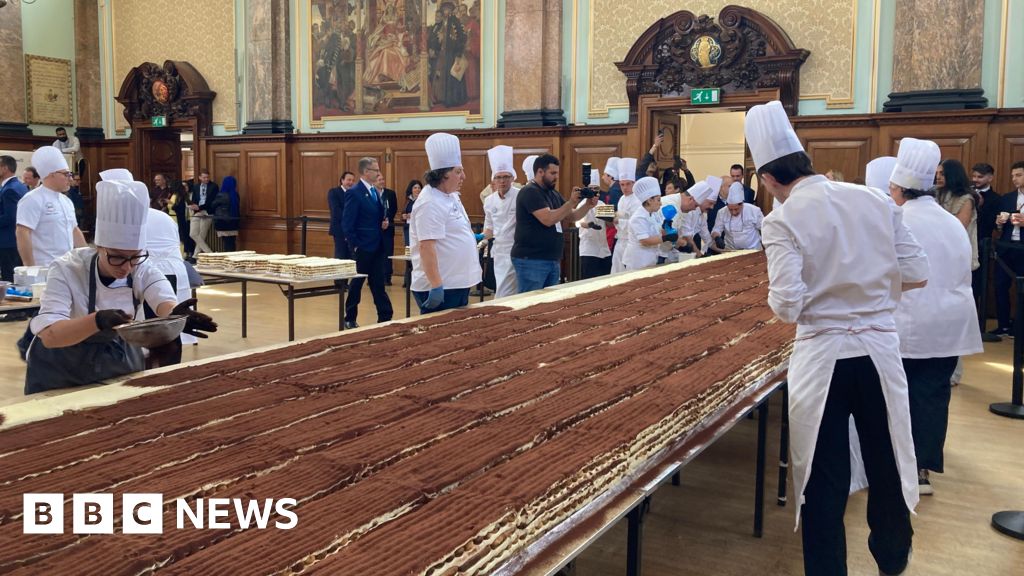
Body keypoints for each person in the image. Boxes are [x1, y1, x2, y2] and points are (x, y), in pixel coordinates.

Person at [751, 100, 926, 576]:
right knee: (887, 457)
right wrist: (870, 295)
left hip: (823, 354)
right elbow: (918, 271)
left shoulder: (781, 220)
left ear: (768, 179)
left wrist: (825, 299)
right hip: (878, 350)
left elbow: (786, 305)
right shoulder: (872, 200)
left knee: (825, 478)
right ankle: (892, 558)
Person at [21, 169, 216, 394]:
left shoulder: (141, 267)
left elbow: (163, 299)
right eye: (117, 257)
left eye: (134, 257)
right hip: (61, 371)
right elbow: (50, 336)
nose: (126, 267)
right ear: (99, 247)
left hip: (116, 364)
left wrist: (176, 317)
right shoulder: (67, 269)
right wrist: (97, 320)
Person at [888, 140, 983, 496]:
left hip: (910, 323)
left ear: (899, 189)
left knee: (900, 395)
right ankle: (922, 469)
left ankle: (900, 468)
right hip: (948, 324)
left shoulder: (899, 219)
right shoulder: (950, 221)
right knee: (932, 394)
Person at [410, 132, 481, 312]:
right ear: (443, 175)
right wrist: (436, 285)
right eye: (458, 171)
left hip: (456, 282)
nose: (463, 176)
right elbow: (427, 246)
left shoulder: (450, 196)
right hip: (443, 286)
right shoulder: (430, 202)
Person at [511, 154, 596, 293]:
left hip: (551, 259)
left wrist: (587, 205)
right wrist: (571, 202)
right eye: (552, 173)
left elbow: (571, 216)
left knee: (548, 304)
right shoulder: (530, 192)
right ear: (540, 172)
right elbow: (548, 219)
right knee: (531, 304)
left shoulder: (553, 194)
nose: (556, 177)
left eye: (557, 173)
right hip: (532, 260)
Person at [342, 157, 393, 328]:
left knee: (378, 282)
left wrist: (383, 222)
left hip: (377, 245)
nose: (379, 173)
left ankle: (385, 316)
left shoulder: (374, 191)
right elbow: (347, 223)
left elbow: (374, 216)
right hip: (363, 247)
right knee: (357, 284)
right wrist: (355, 245)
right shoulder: (354, 192)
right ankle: (350, 316)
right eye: (375, 170)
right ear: (365, 172)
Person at [16, 147, 86, 268]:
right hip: (44, 267)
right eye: (66, 174)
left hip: (68, 266)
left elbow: (74, 230)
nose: (70, 178)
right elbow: (22, 232)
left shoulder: (66, 201)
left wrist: (87, 257)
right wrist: (30, 267)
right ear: (51, 175)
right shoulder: (32, 199)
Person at [481, 145, 520, 298]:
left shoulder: (521, 196)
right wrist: (478, 238)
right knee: (502, 288)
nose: (502, 181)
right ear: (493, 180)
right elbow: (489, 229)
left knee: (507, 292)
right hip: (499, 253)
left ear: (512, 178)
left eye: (505, 177)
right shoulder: (489, 201)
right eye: (498, 177)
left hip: (517, 250)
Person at [991, 161, 1024, 337]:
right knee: (1000, 285)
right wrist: (999, 223)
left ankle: (1020, 328)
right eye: (1012, 176)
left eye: (1018, 175)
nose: (1014, 179)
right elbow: (998, 229)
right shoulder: (1007, 198)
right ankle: (1003, 325)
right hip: (1006, 248)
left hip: (1023, 249)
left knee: (1022, 289)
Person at [935, 159, 978, 272]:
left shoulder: (965, 199)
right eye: (937, 173)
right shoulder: (934, 195)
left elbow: (959, 228)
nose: (938, 177)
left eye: (942, 174)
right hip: (936, 248)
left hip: (956, 250)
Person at [623, 177, 669, 271]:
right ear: (649, 200)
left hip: (650, 258)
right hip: (638, 261)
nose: (660, 203)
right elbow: (645, 241)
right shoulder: (639, 217)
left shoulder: (653, 214)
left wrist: (666, 231)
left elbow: (658, 232)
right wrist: (665, 238)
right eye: (658, 200)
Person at [577, 168, 611, 279]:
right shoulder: (582, 204)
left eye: (596, 189)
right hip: (589, 250)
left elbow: (610, 223)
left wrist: (614, 217)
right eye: (591, 189)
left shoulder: (602, 204)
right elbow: (579, 222)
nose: (593, 192)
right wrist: (589, 224)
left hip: (604, 250)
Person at [710, 182, 764, 251]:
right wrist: (717, 238)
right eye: (730, 209)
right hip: (731, 250)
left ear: (742, 204)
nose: (733, 212)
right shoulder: (722, 212)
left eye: (736, 209)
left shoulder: (754, 211)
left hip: (753, 250)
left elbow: (764, 229)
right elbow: (716, 229)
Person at [0, 156, 29, 282]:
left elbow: (11, 217)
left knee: (9, 279)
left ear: (5, 168)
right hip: (15, 240)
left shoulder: (9, 189)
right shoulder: (20, 186)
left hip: (8, 241)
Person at [610, 158, 638, 273]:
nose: (625, 188)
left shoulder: (637, 199)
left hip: (631, 242)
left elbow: (635, 223)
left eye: (627, 184)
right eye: (622, 185)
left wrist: (618, 221)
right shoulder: (622, 199)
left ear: (633, 183)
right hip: (620, 240)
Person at [188, 169, 219, 256]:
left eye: (207, 177)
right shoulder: (196, 187)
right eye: (204, 177)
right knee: (193, 233)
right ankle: (210, 253)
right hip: (197, 211)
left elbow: (212, 201)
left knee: (202, 234)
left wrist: (200, 207)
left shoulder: (214, 186)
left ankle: (196, 255)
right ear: (200, 177)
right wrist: (193, 206)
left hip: (207, 211)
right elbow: (194, 199)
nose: (206, 179)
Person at [376, 172, 399, 285]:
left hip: (388, 228)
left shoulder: (390, 193)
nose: (382, 181)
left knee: (387, 253)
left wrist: (387, 220)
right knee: (374, 253)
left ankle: (387, 277)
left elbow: (394, 208)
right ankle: (374, 277)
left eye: (382, 179)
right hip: (375, 229)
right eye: (379, 179)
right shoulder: (371, 193)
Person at [329, 171, 357, 260]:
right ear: (342, 180)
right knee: (341, 255)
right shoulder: (334, 192)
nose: (351, 182)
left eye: (353, 180)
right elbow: (336, 210)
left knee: (352, 256)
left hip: (353, 230)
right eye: (349, 180)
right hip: (340, 229)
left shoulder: (354, 193)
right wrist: (349, 222)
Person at [211, 175, 241, 252]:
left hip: (223, 222)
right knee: (232, 243)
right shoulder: (236, 195)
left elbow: (213, 206)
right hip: (233, 223)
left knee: (226, 244)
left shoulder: (221, 195)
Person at [172, 180, 195, 259]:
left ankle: (189, 252)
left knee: (188, 236)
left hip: (187, 219)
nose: (185, 188)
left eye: (186, 186)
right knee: (183, 236)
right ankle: (186, 252)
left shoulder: (187, 196)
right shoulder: (180, 196)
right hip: (182, 219)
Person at [400, 179, 422, 248]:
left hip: (418, 229)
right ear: (411, 189)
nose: (417, 190)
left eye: (419, 188)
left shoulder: (422, 200)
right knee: (408, 249)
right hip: (408, 229)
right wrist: (403, 216)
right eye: (415, 188)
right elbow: (402, 213)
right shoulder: (408, 200)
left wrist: (412, 215)